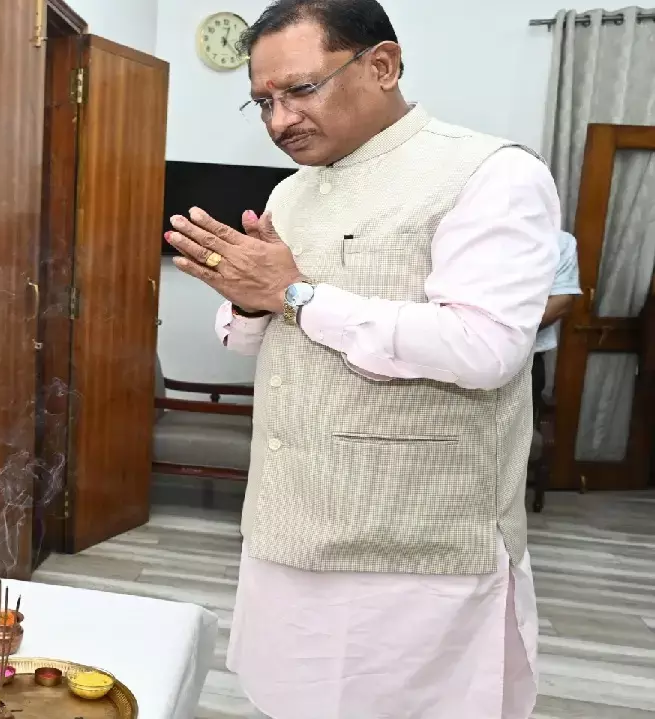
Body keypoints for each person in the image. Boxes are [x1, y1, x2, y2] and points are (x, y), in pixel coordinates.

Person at [163, 1, 558, 717]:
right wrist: (250, 299)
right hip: (288, 515)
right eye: (262, 102)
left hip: (409, 539)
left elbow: (485, 347)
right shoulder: (291, 189)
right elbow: (259, 334)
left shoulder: (487, 174)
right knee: (293, 695)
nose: (279, 120)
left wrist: (291, 292)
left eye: (300, 90)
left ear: (381, 65)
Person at [532, 230, 582, 406]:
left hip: (528, 360)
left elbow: (562, 301)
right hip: (460, 357)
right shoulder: (460, 230)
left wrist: (504, 332)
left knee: (520, 431)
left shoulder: (557, 240)